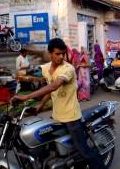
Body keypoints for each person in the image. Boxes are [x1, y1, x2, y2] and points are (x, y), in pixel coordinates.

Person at [11, 38, 106, 169]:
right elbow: (49, 88)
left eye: (63, 53)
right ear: (50, 53)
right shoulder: (46, 69)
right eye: (57, 54)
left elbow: (54, 86)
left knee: (84, 152)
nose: (61, 57)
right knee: (49, 146)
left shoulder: (68, 69)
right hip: (56, 116)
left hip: (71, 117)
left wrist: (25, 97)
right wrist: (41, 105)